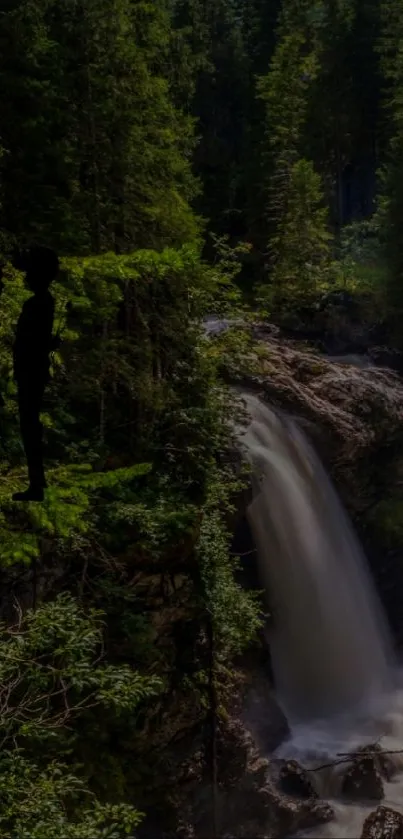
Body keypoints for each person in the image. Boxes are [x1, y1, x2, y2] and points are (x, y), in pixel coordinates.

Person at [12, 246, 59, 501]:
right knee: (30, 425)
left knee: (29, 426)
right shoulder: (46, 303)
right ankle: (37, 481)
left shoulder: (36, 304)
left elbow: (28, 341)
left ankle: (36, 484)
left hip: (30, 371)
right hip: (35, 370)